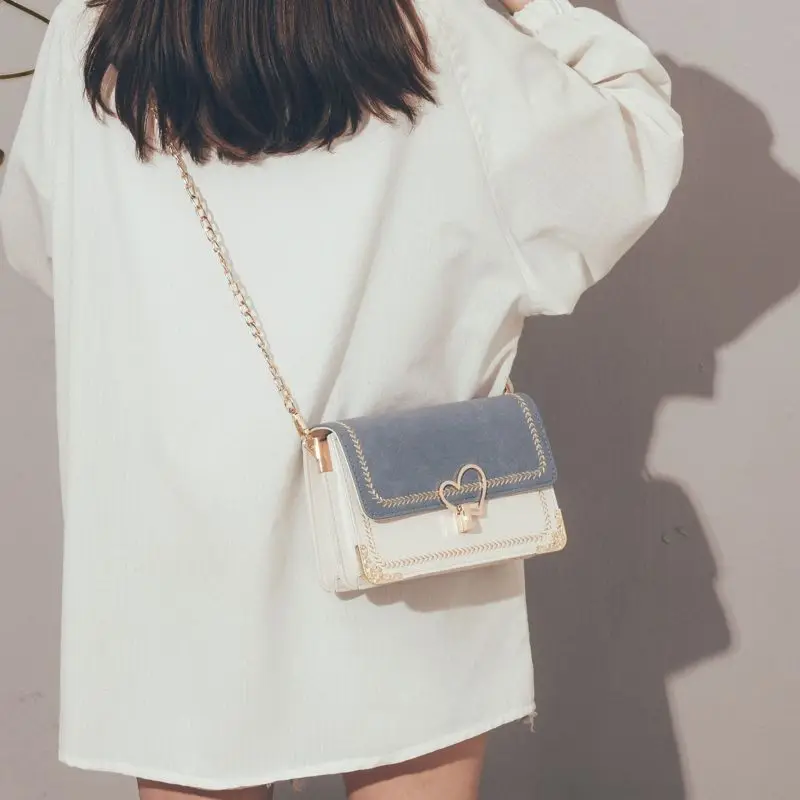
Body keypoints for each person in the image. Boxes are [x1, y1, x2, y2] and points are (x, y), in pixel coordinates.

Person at [0, 0, 683, 797]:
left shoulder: (91, 36)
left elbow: (51, 246)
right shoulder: (439, 26)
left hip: (177, 525)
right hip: (410, 514)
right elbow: (625, 163)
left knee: (195, 753)